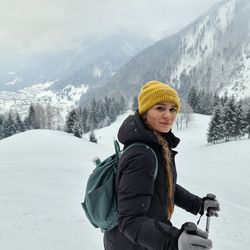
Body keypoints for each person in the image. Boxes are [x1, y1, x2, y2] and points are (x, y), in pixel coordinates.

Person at [104, 80, 220, 250]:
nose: (169, 115)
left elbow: (163, 185)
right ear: (145, 113)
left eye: (173, 109)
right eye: (160, 108)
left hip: (145, 240)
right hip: (131, 244)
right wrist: (174, 240)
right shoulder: (141, 155)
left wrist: (198, 204)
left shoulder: (158, 145)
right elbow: (129, 221)